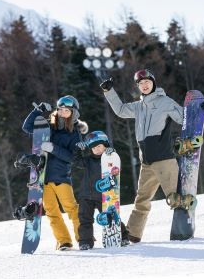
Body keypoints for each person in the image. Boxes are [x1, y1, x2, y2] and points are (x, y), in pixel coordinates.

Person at [99, 69, 187, 243]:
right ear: (138, 87)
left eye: (147, 82)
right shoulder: (138, 106)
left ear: (153, 83)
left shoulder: (165, 102)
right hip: (146, 162)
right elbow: (121, 110)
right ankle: (133, 233)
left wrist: (200, 111)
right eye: (141, 83)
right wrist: (109, 92)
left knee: (174, 197)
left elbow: (184, 117)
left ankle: (184, 229)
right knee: (142, 200)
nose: (144, 85)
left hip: (164, 159)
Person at [22, 95, 88, 250]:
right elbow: (27, 127)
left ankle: (84, 238)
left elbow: (73, 157)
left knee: (71, 208)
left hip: (61, 177)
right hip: (43, 177)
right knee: (51, 211)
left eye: (67, 111)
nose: (62, 112)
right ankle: (64, 241)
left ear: (73, 113)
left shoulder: (74, 134)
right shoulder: (48, 127)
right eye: (60, 110)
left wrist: (53, 148)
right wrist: (37, 111)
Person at [75, 131, 129, 250]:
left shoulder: (110, 159)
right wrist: (78, 150)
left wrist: (112, 153)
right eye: (94, 148)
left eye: (99, 146)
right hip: (86, 195)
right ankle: (85, 242)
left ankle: (123, 236)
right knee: (85, 220)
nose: (97, 149)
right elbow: (75, 160)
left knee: (111, 217)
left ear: (106, 145)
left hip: (103, 196)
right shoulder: (87, 160)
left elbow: (115, 167)